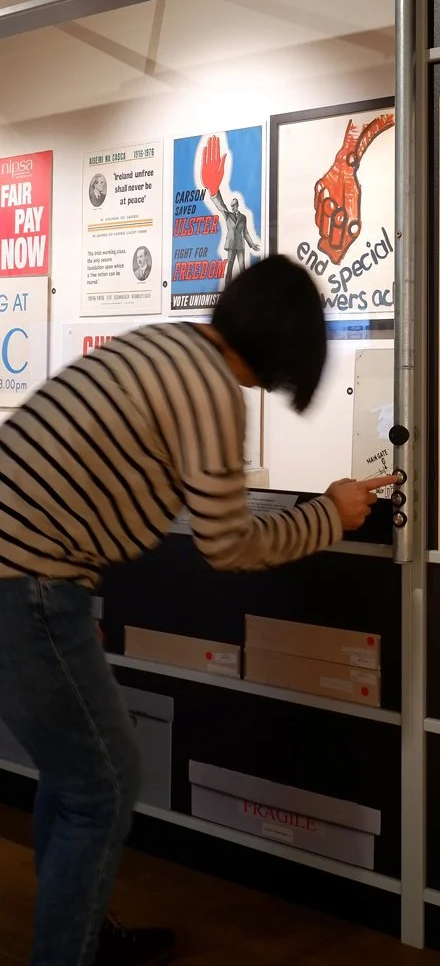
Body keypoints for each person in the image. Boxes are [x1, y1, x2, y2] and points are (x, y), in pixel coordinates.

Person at [0, 255, 396, 966]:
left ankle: (80, 930)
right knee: (106, 780)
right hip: (26, 582)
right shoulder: (210, 390)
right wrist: (331, 514)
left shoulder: (168, 343)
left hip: (30, 574)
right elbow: (230, 545)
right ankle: (65, 951)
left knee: (80, 775)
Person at [209, 190, 260, 284]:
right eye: (231, 205)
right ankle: (228, 287)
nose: (232, 207)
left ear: (237, 205)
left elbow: (245, 232)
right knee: (230, 266)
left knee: (242, 266)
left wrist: (252, 244)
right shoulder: (228, 215)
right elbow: (221, 206)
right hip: (231, 244)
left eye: (234, 205)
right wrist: (215, 195)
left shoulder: (243, 217)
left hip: (240, 245)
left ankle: (244, 286)